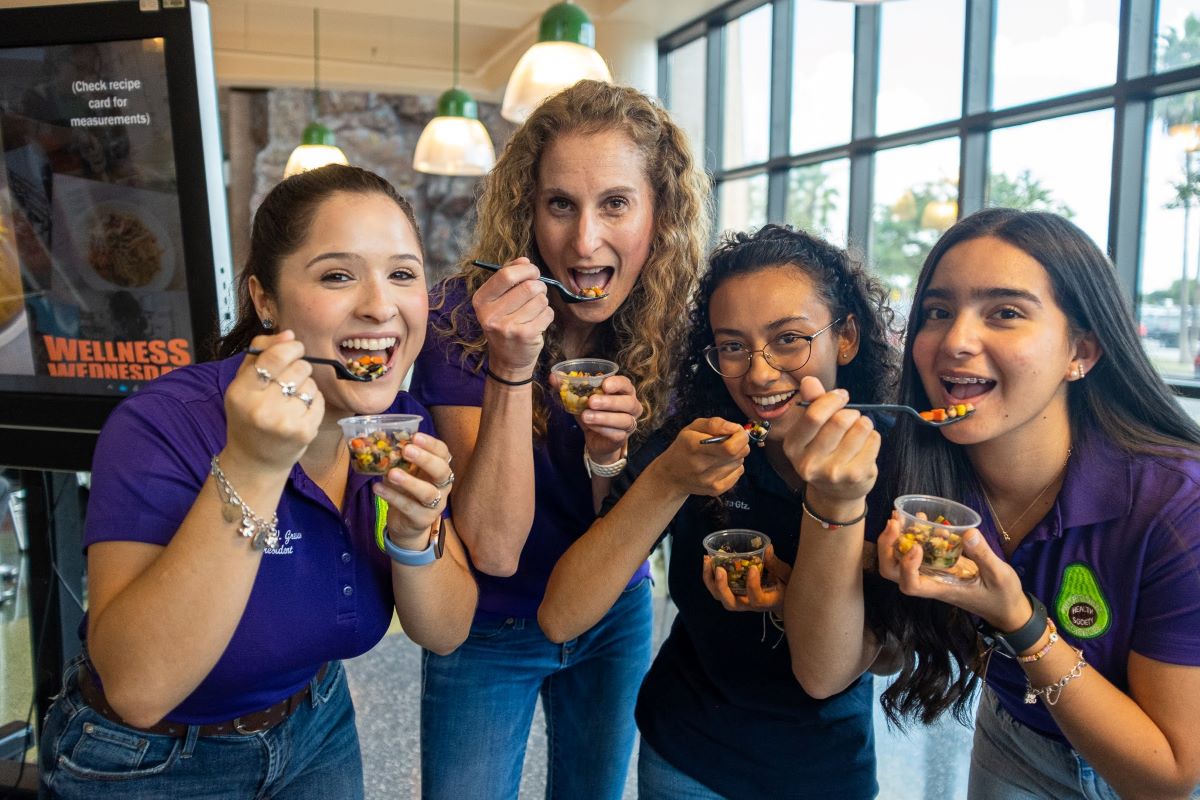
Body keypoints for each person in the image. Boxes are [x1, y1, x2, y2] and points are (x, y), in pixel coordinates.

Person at [38, 164, 477, 799]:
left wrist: (414, 534)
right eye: (337, 275)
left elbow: (446, 630)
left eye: (403, 274)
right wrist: (254, 465)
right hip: (146, 760)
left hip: (316, 725)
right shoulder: (162, 423)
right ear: (265, 300)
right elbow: (137, 689)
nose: (381, 304)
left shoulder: (399, 430)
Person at [539, 224, 976, 799]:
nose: (761, 373)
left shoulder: (895, 457)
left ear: (845, 338)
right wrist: (668, 480)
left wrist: (817, 573)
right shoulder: (697, 445)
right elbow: (562, 615)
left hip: (826, 770)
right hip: (685, 757)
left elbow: (881, 658)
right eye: (733, 346)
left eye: (789, 339)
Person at [791, 208, 1200, 800]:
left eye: (1005, 313)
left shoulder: (1175, 505)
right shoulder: (912, 475)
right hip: (1017, 732)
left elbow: (1166, 777)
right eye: (937, 312)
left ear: (1080, 350)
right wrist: (833, 497)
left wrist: (1020, 621)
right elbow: (826, 671)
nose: (955, 341)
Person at [410, 79, 711, 799]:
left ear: (659, 213)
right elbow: (492, 544)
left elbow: (623, 524)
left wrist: (607, 457)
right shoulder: (461, 318)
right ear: (528, 210)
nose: (584, 241)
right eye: (560, 205)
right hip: (485, 621)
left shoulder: (677, 333)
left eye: (615, 203)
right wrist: (510, 368)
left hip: (612, 611)